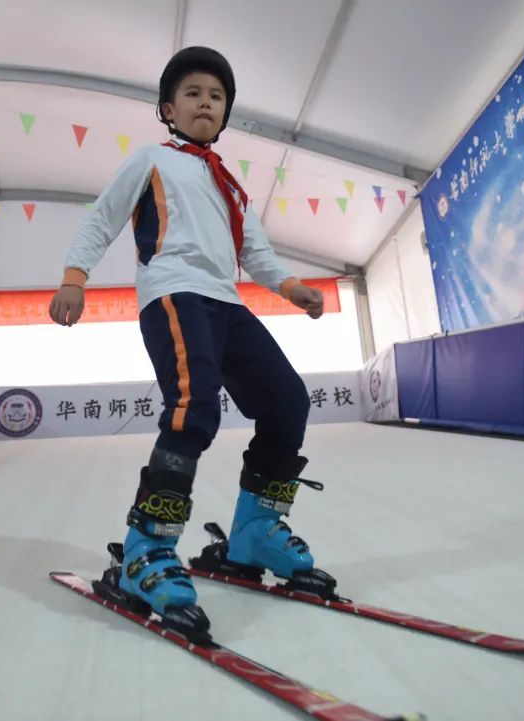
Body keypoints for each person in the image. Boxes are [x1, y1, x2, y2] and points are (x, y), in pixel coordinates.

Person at [48, 46, 332, 641]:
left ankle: (255, 533)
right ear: (168, 109)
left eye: (217, 96)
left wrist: (289, 286)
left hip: (227, 302)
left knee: (287, 402)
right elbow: (102, 218)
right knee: (194, 407)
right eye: (194, 94)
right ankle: (145, 550)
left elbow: (254, 249)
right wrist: (75, 280)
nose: (206, 102)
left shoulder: (229, 183)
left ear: (225, 113)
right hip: (174, 292)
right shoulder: (152, 159)